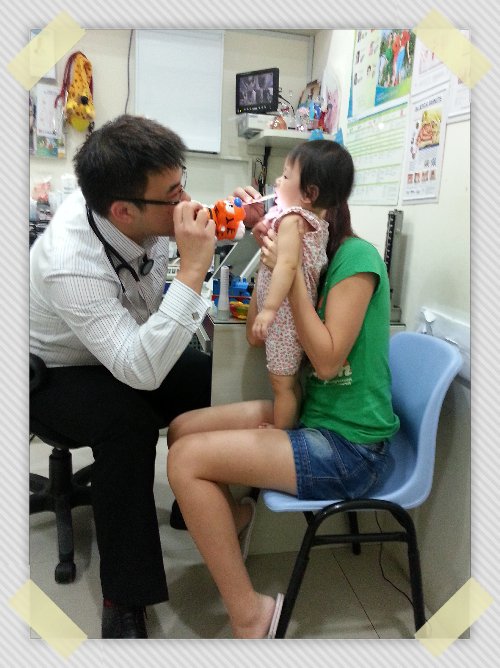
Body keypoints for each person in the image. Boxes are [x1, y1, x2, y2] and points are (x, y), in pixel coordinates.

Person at [166, 143, 400, 638]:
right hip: (315, 415)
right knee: (182, 428)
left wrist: (290, 277)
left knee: (186, 461)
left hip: (351, 448)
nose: (277, 194)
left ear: (311, 198)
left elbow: (327, 361)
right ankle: (235, 517)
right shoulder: (311, 250)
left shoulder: (356, 259)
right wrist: (270, 256)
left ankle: (252, 616)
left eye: (285, 182)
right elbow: (262, 331)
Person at [29, 114, 218, 638]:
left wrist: (233, 222)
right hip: (54, 372)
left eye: (182, 183)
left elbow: (146, 333)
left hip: (122, 345)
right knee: (127, 424)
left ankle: (196, 499)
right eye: (173, 195)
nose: (186, 201)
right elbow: (140, 370)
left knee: (206, 379)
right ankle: (125, 598)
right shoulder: (70, 259)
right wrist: (192, 272)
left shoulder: (143, 215)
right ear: (123, 211)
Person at [252, 141, 339, 429]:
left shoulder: (292, 220)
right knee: (289, 382)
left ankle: (281, 435)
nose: (278, 181)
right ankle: (288, 428)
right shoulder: (313, 221)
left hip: (284, 318)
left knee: (282, 385)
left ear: (309, 194)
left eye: (286, 176)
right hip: (293, 318)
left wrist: (268, 310)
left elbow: (288, 265)